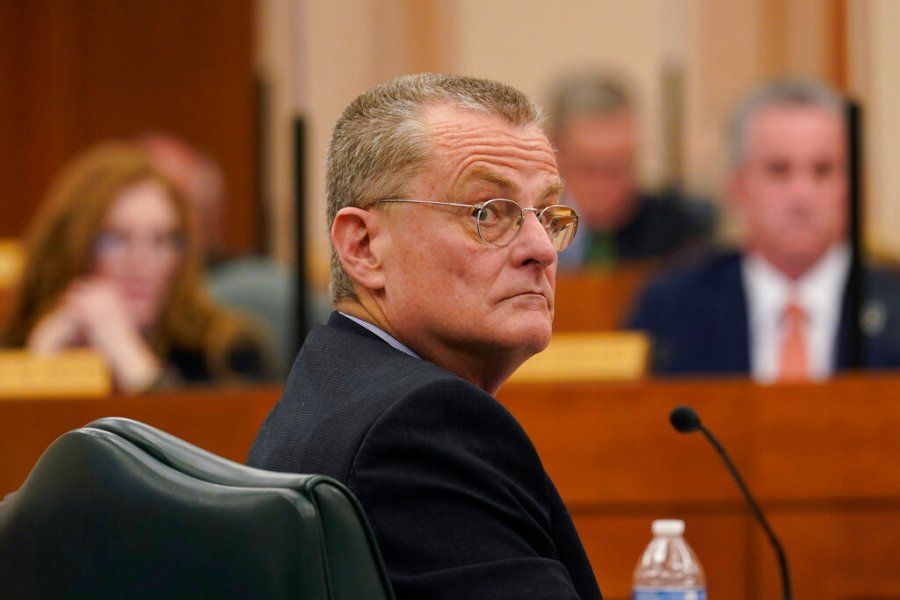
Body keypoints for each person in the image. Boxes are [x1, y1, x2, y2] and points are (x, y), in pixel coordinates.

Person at [248, 74, 602, 599]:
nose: (542, 250)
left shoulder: (335, 388)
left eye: (548, 215)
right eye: (489, 212)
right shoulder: (422, 428)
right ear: (364, 246)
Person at [626, 78, 900, 380]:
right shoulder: (673, 308)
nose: (801, 195)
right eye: (778, 170)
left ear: (855, 187)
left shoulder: (893, 303)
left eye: (823, 171)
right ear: (737, 187)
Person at [0, 142, 275, 393]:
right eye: (116, 239)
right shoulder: (15, 347)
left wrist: (133, 363)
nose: (143, 260)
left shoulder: (226, 355)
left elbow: (203, 443)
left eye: (162, 240)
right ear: (71, 247)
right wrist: (40, 368)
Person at [138, 131, 297, 374]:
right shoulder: (79, 318)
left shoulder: (231, 322)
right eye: (114, 239)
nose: (138, 257)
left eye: (160, 238)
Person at [546, 70, 715, 269]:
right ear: (555, 154)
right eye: (588, 170)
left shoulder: (678, 231)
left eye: (617, 169)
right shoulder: (529, 229)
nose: (602, 187)